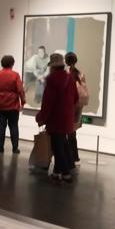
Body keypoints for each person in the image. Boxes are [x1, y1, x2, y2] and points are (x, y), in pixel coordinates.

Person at [36, 53, 78, 184]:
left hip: (55, 118)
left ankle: (66, 174)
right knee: (61, 144)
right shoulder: (70, 78)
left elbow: (48, 102)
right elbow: (76, 98)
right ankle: (56, 173)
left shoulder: (51, 79)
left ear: (52, 66)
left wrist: (41, 117)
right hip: (67, 117)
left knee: (57, 147)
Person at [0, 55, 26, 154]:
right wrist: (23, 102)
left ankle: (0, 147)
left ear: (2, 63)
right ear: (12, 64)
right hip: (13, 105)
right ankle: (15, 148)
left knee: (1, 126)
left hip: (0, 104)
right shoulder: (15, 75)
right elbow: (20, 90)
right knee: (13, 126)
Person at [65, 52, 86, 166]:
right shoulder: (80, 74)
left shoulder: (66, 74)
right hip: (78, 105)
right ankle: (74, 156)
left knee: (66, 132)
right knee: (72, 133)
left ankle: (68, 157)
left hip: (68, 105)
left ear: (66, 61)